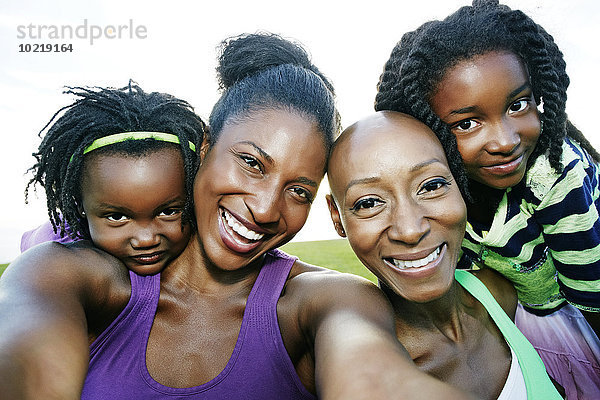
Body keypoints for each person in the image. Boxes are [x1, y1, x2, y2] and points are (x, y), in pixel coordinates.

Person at [0, 33, 472, 400]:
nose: (266, 209)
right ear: (206, 146)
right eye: (251, 163)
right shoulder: (68, 274)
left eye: (298, 190)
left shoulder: (324, 300)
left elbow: (373, 375)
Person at [374, 1, 600, 397]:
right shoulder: (444, 193)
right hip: (527, 323)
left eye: (518, 104)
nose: (505, 140)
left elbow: (593, 295)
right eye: (467, 123)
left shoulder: (553, 174)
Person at [326, 110, 563, 399]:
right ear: (337, 217)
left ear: (458, 185)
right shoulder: (372, 379)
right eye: (368, 203)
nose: (410, 230)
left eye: (432, 186)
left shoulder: (499, 294)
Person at [19, 81, 206, 276]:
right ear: (79, 206)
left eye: (169, 212)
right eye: (117, 217)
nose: (146, 240)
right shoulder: (56, 248)